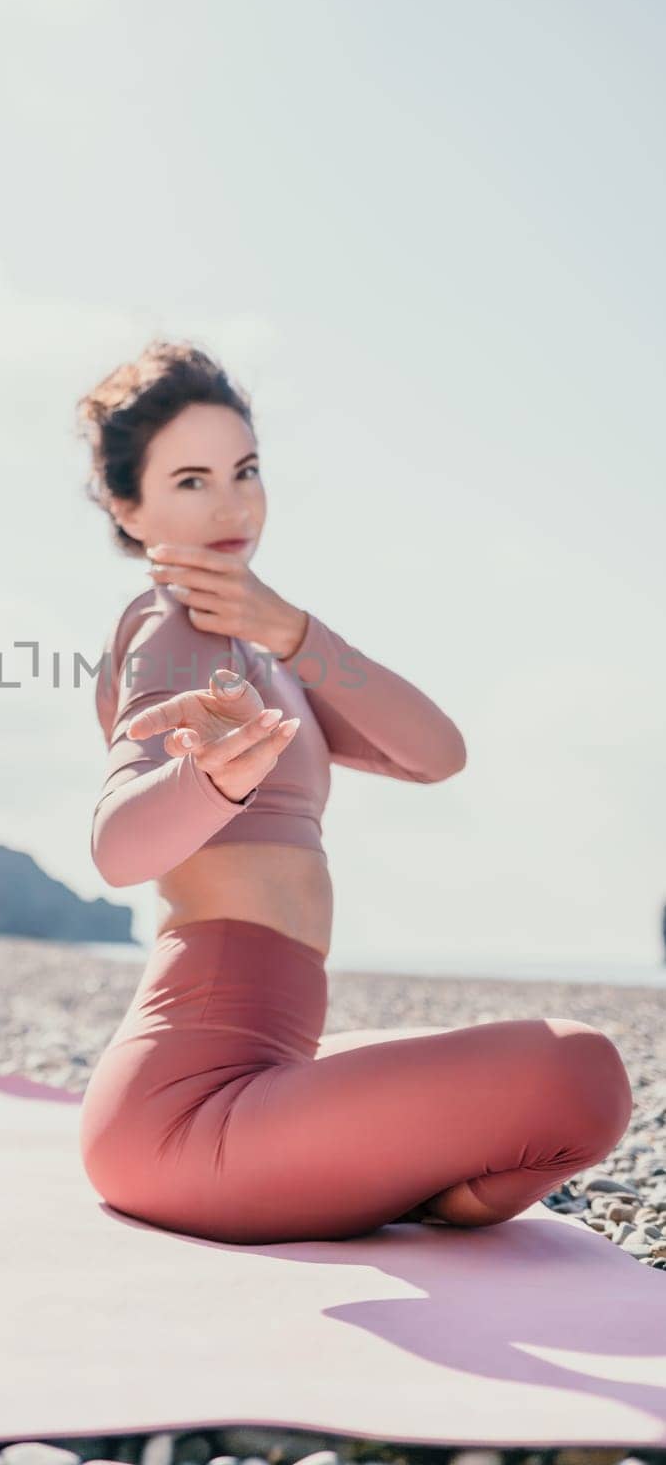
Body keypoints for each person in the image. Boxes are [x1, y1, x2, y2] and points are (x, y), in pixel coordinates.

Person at [73, 340, 633, 1245]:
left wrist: (293, 631)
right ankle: (398, 1193)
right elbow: (114, 849)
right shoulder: (169, 630)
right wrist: (206, 781)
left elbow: (435, 753)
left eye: (244, 470)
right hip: (184, 1118)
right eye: (189, 480)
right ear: (124, 505)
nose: (231, 503)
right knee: (578, 1072)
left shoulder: (260, 647)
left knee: (570, 1074)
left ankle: (382, 1188)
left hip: (261, 1074)